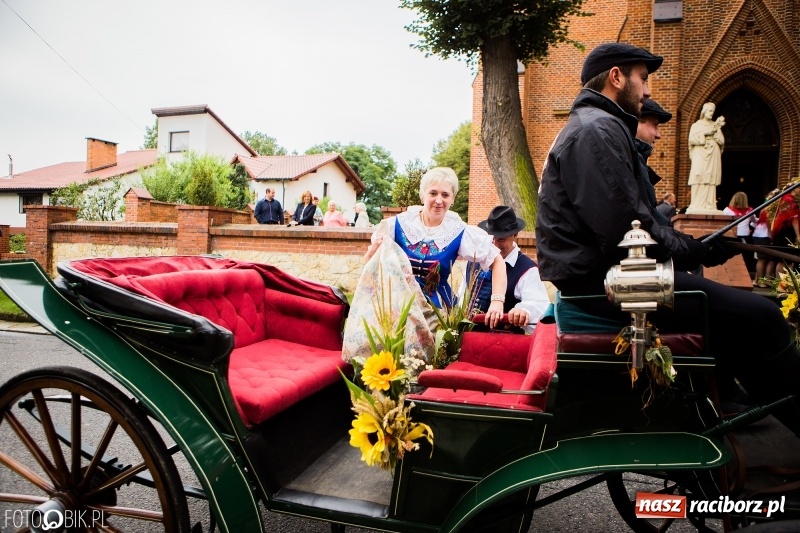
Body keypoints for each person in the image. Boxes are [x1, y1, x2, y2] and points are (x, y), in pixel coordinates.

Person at [536, 42, 800, 434]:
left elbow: (636, 218)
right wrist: (692, 250)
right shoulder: (597, 130)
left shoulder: (599, 126)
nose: (646, 91)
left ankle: (726, 403)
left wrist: (695, 247)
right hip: (605, 285)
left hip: (608, 278)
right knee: (763, 316)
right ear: (616, 77)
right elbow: (625, 229)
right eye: (642, 79)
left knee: (739, 315)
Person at [343, 167, 507, 362]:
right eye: (433, 193)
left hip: (437, 312)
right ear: (422, 195)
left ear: (453, 199)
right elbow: (370, 264)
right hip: (397, 307)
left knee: (429, 365)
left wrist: (497, 301)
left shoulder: (459, 231)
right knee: (390, 362)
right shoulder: (397, 225)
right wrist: (374, 252)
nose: (439, 200)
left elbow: (497, 260)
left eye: (445, 195)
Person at [463, 206, 551, 334]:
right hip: (469, 338)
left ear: (515, 235)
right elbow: (461, 298)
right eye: (491, 239)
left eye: (501, 239)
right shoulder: (474, 260)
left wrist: (523, 311)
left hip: (504, 342)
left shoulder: (527, 269)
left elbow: (539, 306)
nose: (494, 245)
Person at [634, 98, 673, 226]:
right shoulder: (630, 160)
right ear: (636, 123)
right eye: (655, 125)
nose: (658, 135)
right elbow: (645, 220)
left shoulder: (636, 159)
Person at [687, 102, 726, 213]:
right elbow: (692, 139)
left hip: (713, 154)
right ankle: (696, 204)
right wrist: (705, 133)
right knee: (698, 175)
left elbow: (721, 141)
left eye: (713, 111)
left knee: (710, 178)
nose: (711, 113)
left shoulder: (715, 125)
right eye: (709, 111)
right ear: (704, 111)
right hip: (700, 154)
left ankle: (710, 204)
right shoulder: (696, 125)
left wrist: (715, 131)